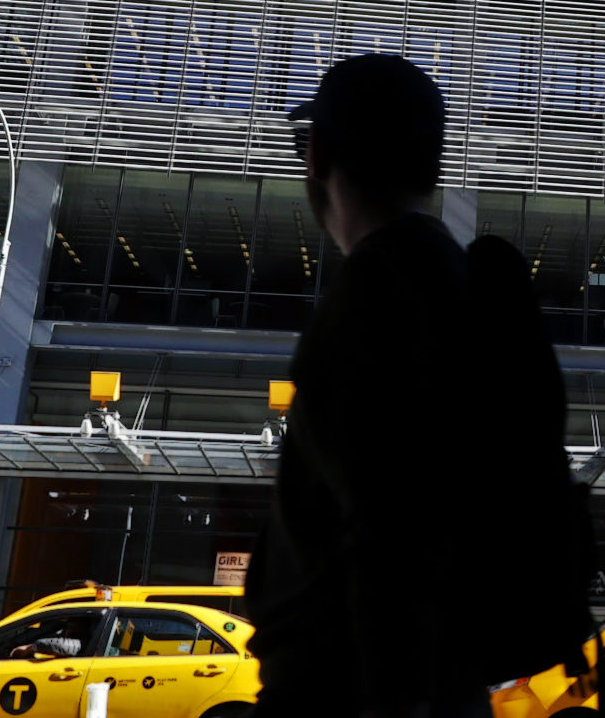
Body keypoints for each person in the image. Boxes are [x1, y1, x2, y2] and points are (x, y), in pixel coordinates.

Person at [246, 54, 544, 718]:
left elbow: (390, 540)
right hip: (450, 687)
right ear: (430, 170)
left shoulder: (374, 292)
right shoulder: (461, 283)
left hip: (347, 693)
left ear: (316, 154)